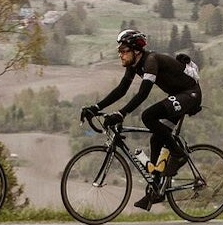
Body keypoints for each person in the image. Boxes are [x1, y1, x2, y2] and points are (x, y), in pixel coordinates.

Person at [80, 29, 202, 211]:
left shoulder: (151, 62)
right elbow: (121, 90)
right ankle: (156, 190)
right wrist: (95, 108)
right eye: (119, 51)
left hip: (189, 95)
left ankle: (178, 154)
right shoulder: (134, 66)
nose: (120, 54)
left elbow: (143, 93)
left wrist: (121, 113)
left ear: (136, 51)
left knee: (148, 116)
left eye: (123, 50)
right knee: (156, 139)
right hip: (178, 96)